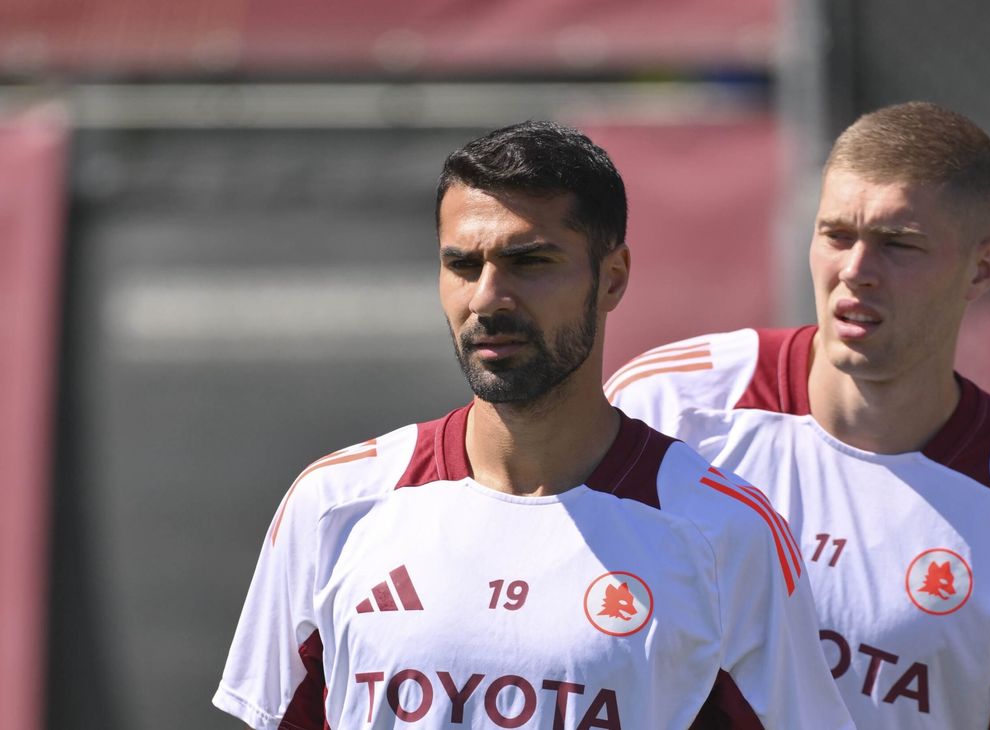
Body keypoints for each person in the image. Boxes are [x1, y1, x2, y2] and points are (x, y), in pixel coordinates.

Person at [212, 121, 853, 729]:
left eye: (531, 262)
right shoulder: (335, 502)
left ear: (614, 278)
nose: (487, 298)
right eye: (463, 265)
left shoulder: (722, 533)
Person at [607, 101, 990, 729]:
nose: (855, 272)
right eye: (836, 235)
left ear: (982, 268)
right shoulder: (667, 409)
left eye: (899, 245)